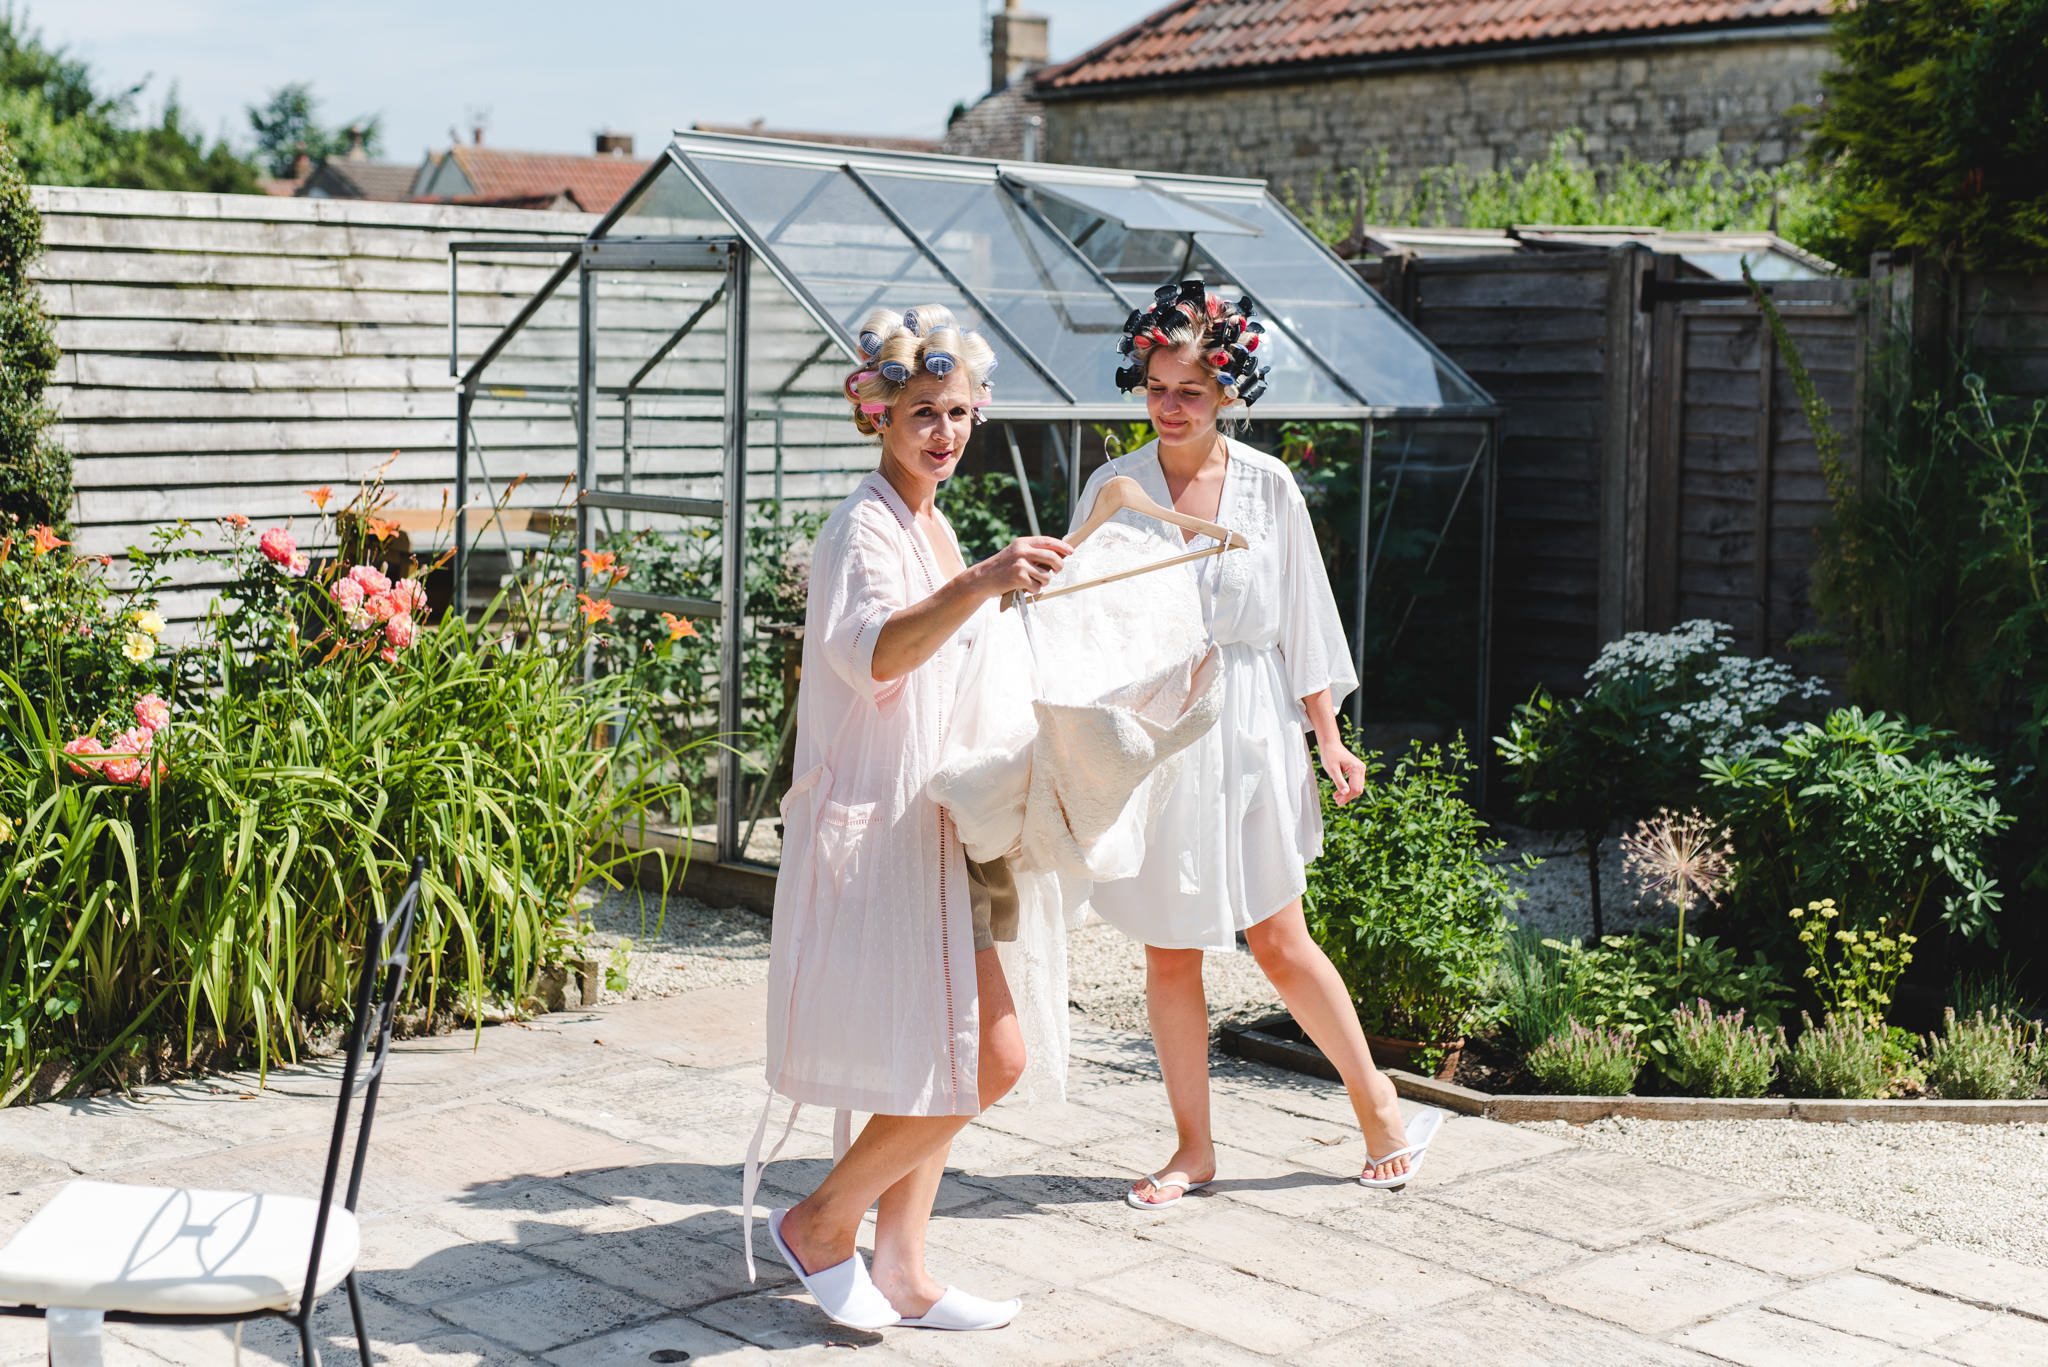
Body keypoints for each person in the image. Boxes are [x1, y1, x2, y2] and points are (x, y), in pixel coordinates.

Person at [746, 304, 1073, 1332]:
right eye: (922, 412)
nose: (943, 431)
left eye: (959, 412)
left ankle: (904, 1266)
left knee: (947, 1051)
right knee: (986, 1054)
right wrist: (981, 584)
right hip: (885, 825)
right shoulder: (864, 525)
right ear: (877, 416)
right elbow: (874, 654)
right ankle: (821, 1219)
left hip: (941, 818)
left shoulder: (929, 518)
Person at [1086, 280, 1442, 1208]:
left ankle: (1380, 1110)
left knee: (1282, 939)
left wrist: (1330, 739)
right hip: (1159, 731)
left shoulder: (1268, 485)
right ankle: (1192, 1148)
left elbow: (1302, 623)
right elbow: (1081, 621)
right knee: (1169, 947)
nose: (1170, 406)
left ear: (1228, 394)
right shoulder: (1112, 488)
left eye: (1190, 392)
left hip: (1249, 726)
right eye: (1157, 387)